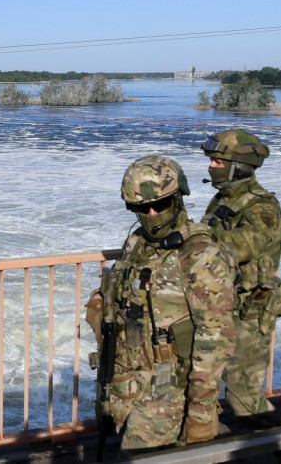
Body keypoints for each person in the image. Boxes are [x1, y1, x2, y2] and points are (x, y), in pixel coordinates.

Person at [85, 154, 236, 453]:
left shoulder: (199, 253)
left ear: (179, 197)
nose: (152, 212)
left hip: (169, 391)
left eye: (161, 204)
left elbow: (215, 339)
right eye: (141, 208)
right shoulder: (138, 243)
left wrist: (202, 412)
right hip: (129, 381)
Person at [200, 129, 281, 430]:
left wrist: (196, 239)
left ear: (238, 166)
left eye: (217, 162)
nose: (211, 167)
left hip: (250, 310)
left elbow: (243, 245)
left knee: (244, 396)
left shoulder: (261, 206)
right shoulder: (222, 199)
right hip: (220, 305)